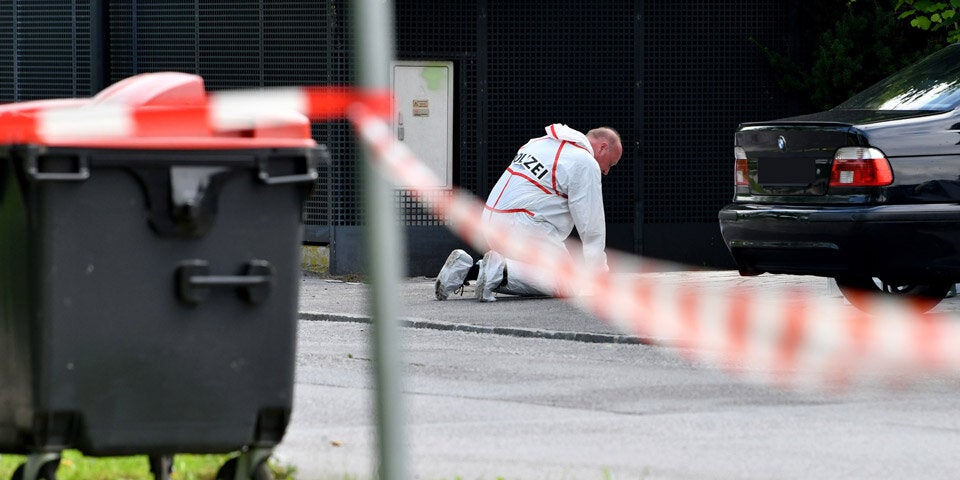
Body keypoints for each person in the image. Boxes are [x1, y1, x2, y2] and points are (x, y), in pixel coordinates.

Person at [435, 123, 622, 302]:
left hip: (491, 223)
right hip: (524, 226)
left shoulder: (538, 142)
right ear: (602, 147)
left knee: (532, 272)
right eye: (611, 164)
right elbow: (591, 226)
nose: (606, 171)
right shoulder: (585, 162)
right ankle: (499, 270)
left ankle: (466, 270)